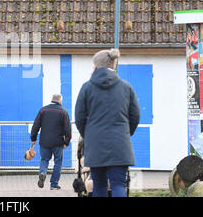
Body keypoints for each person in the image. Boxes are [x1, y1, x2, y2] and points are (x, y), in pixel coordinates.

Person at [74, 49, 140, 197]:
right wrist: (125, 134)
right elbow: (135, 116)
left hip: (96, 145)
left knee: (99, 187)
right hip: (120, 145)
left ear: (95, 66)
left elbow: (79, 117)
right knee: (118, 186)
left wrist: (89, 135)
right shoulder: (126, 87)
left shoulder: (87, 88)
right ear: (113, 65)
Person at [31, 94, 71, 190]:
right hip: (58, 142)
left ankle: (42, 173)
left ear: (52, 100)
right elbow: (67, 129)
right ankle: (53, 184)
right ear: (60, 101)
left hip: (44, 141)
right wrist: (66, 142)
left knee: (44, 160)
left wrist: (33, 137)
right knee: (58, 162)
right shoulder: (63, 112)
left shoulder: (43, 110)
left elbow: (36, 125)